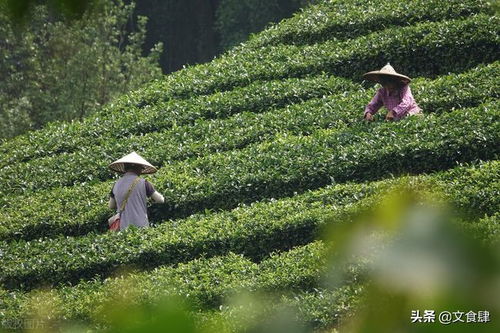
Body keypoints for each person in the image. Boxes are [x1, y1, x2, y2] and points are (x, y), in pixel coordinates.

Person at [108, 151, 164, 230]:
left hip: (123, 228)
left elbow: (111, 206)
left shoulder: (116, 184)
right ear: (138, 168)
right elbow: (160, 200)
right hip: (141, 226)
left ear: (125, 168)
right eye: (141, 168)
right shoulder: (143, 183)